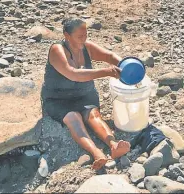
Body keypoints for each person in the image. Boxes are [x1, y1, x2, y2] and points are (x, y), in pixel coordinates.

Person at [41, 18, 130, 170]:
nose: (84, 39)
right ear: (66, 36)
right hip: (58, 99)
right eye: (80, 36)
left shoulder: (86, 47)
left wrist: (126, 67)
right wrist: (106, 72)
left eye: (85, 34)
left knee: (94, 115)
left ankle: (113, 145)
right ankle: (96, 153)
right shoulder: (57, 50)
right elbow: (73, 74)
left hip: (83, 94)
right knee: (73, 117)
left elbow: (109, 56)